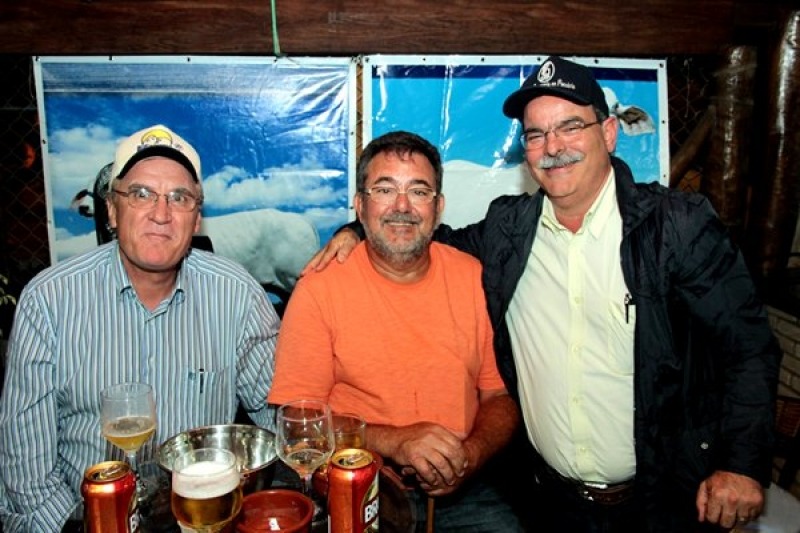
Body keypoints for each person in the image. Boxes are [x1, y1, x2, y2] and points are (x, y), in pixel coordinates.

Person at [304, 57, 782, 532]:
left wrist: (742, 463)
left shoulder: (676, 226)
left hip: (663, 502)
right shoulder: (508, 231)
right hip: (550, 504)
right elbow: (422, 235)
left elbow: (749, 346)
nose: (553, 147)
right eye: (536, 135)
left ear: (608, 133)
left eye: (570, 126)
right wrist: (357, 229)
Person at [0, 124, 279, 531]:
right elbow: (28, 477)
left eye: (179, 198)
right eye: (142, 194)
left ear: (196, 219)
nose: (161, 214)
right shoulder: (48, 301)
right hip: (80, 521)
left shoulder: (237, 295)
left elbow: (280, 416)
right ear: (112, 211)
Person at [268, 131, 524, 531]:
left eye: (418, 191)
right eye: (385, 190)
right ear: (360, 206)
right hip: (354, 484)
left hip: (463, 490)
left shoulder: (473, 277)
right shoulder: (320, 288)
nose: (402, 206)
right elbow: (298, 420)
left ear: (438, 208)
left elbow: (499, 397)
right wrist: (394, 440)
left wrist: (470, 455)